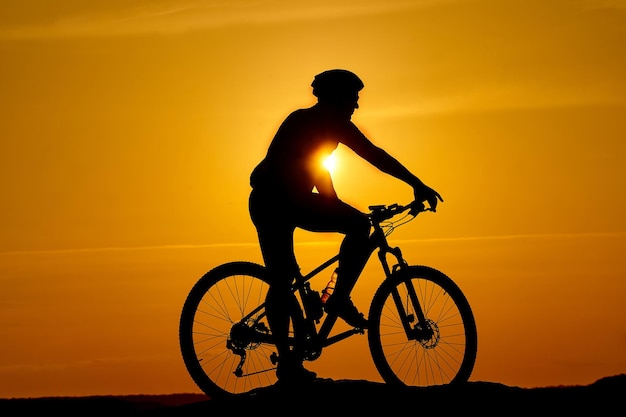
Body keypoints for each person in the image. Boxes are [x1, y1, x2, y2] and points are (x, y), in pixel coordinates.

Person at [248, 69, 443, 383]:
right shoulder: (303, 121)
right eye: (353, 98)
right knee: (282, 280)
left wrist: (413, 183)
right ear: (334, 98)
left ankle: (335, 299)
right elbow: (314, 164)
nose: (356, 105)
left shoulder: (335, 126)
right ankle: (291, 360)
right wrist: (416, 185)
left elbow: (365, 157)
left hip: (295, 200)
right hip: (272, 203)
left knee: (355, 225)